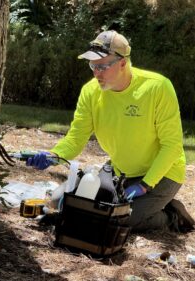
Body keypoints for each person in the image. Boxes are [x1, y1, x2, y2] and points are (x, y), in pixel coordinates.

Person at [27, 30, 194, 232]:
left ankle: (171, 216)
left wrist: (145, 185)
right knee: (57, 200)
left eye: (102, 66)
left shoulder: (158, 88)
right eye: (92, 66)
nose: (96, 73)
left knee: (118, 220)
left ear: (123, 63)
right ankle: (149, 205)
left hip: (164, 173)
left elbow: (172, 146)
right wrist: (54, 155)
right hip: (121, 171)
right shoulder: (90, 92)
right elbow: (75, 138)